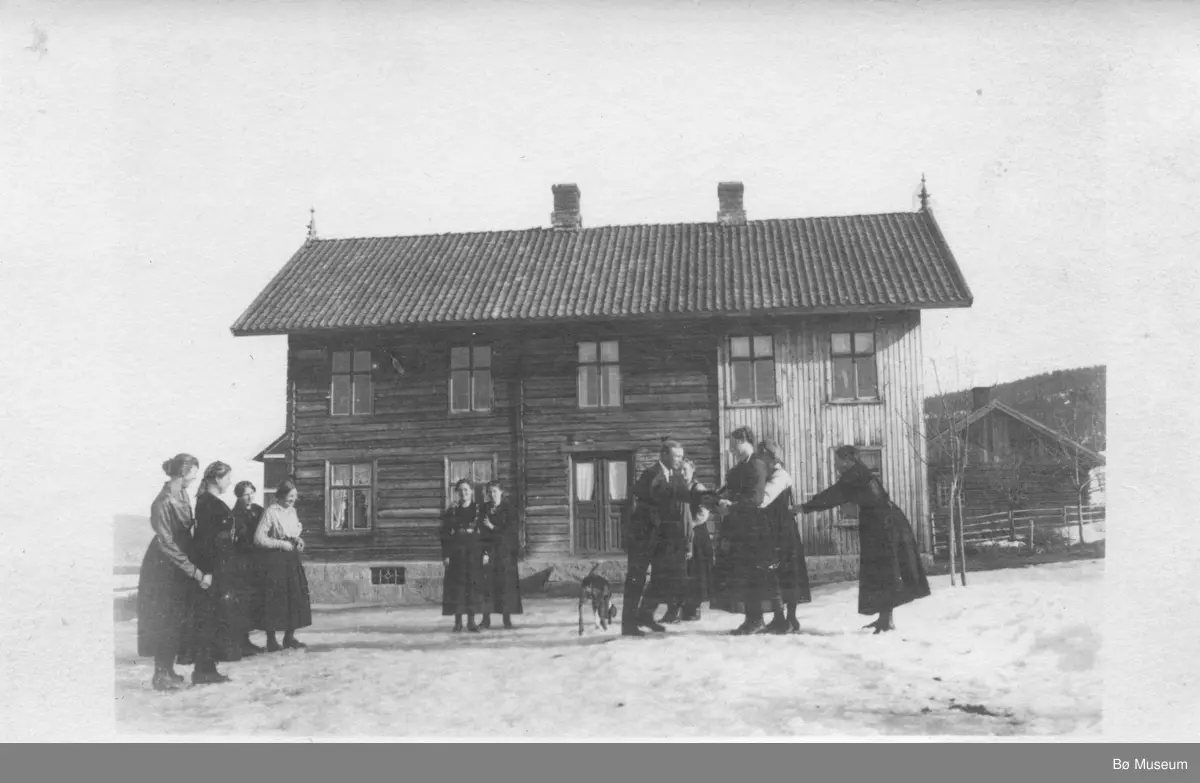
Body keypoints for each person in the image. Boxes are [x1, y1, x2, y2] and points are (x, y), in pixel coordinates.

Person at [799, 445, 931, 633]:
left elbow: (832, 495)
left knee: (884, 572)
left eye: (837, 460)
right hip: (881, 523)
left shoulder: (854, 475)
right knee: (880, 572)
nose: (835, 465)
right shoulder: (858, 473)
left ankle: (887, 621)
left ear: (847, 460)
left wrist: (805, 507)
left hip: (884, 526)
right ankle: (884, 618)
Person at [136, 453, 217, 691]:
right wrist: (194, 572)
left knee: (178, 618)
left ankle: (169, 669)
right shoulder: (162, 501)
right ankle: (160, 674)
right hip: (164, 566)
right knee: (165, 617)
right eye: (193, 471)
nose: (195, 476)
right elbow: (167, 544)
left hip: (180, 563)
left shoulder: (182, 495)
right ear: (183, 472)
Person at [622, 440, 701, 636]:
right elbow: (643, 495)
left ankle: (646, 616)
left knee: (661, 577)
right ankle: (629, 624)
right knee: (636, 579)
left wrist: (710, 497)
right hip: (642, 536)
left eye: (681, 457)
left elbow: (685, 495)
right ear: (663, 455)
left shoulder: (675, 476)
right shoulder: (650, 474)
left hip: (661, 538)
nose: (680, 460)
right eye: (676, 456)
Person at [181, 461, 247, 673]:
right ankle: (205, 668)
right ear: (217, 479)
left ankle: (211, 665)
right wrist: (207, 571)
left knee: (217, 613)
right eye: (227, 478)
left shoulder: (208, 500)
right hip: (215, 565)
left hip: (222, 564)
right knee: (210, 615)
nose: (229, 482)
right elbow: (205, 540)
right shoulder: (207, 502)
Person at [714, 426, 777, 635]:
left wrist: (730, 505)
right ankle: (751, 618)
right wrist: (717, 500)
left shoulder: (757, 465)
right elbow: (728, 491)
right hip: (738, 528)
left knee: (753, 575)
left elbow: (756, 499)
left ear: (745, 440)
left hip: (754, 529)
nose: (731, 448)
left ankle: (756, 619)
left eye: (734, 443)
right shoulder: (737, 469)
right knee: (742, 574)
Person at [757, 439, 812, 634]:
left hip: (783, 531)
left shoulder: (780, 476)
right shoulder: (767, 474)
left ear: (771, 458)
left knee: (789, 574)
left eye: (761, 456)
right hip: (770, 530)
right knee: (772, 575)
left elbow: (763, 498)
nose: (759, 459)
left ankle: (791, 618)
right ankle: (778, 617)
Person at [254, 480, 313, 650]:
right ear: (281, 495)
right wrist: (280, 544)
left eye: (295, 496)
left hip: (291, 559)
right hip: (275, 560)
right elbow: (258, 538)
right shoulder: (270, 512)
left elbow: (292, 532)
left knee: (294, 596)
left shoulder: (292, 511)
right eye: (290, 496)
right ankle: (271, 640)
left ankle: (289, 637)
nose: (293, 499)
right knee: (275, 598)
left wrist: (297, 539)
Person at [440, 479, 488, 632]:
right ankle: (458, 622)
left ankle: (472, 622)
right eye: (460, 490)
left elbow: (486, 534)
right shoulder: (452, 511)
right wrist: (446, 555)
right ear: (457, 493)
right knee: (457, 588)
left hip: (474, 554)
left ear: (472, 491)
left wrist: (485, 552)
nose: (463, 493)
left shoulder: (479, 510)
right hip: (457, 555)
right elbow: (445, 535)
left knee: (472, 586)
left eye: (466, 489)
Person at [478, 480, 523, 630]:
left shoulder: (509, 510)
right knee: (487, 586)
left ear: (501, 493)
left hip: (505, 554)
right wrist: (483, 552)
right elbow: (481, 532)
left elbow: (510, 532)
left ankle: (506, 619)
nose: (491, 495)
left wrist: (493, 527)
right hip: (489, 553)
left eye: (494, 492)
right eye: (489, 492)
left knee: (505, 586)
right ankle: (486, 620)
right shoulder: (484, 509)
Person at [228, 480, 266, 655]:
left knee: (254, 600)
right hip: (241, 562)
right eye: (245, 494)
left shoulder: (259, 511)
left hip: (257, 560)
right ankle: (241, 641)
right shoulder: (234, 514)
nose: (250, 497)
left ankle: (247, 641)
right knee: (242, 600)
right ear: (238, 496)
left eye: (252, 492)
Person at [679, 501, 715, 622]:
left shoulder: (698, 489)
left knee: (697, 572)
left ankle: (694, 608)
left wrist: (689, 524)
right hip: (684, 533)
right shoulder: (676, 487)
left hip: (697, 535)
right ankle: (682, 608)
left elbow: (703, 513)